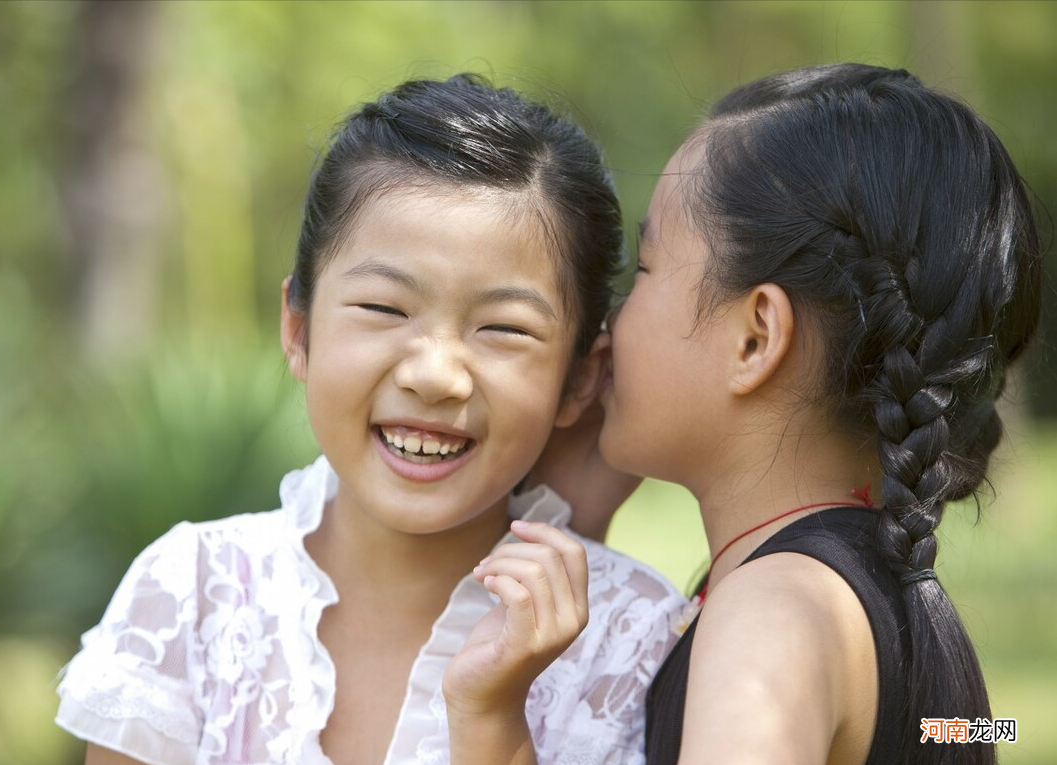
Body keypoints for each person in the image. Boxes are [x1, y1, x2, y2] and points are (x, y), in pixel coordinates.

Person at [53, 73, 684, 765]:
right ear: (298, 327)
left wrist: (493, 723)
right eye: (384, 309)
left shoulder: (635, 639)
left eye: (503, 328)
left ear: (580, 377)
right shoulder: (190, 593)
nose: (434, 374)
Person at [590, 63, 1041, 764]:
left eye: (643, 269)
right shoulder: (895, 603)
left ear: (755, 336)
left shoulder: (772, 617)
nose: (609, 320)